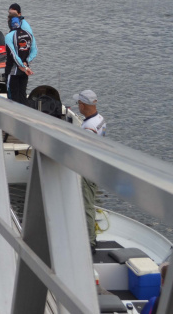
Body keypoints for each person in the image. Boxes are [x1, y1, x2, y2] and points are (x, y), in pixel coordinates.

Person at [73, 90, 107, 249]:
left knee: (86, 205)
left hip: (88, 170)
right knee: (89, 202)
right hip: (97, 166)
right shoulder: (100, 119)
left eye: (78, 103)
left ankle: (89, 243)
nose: (77, 106)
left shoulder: (88, 127)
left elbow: (84, 151)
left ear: (83, 105)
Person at [5, 16, 36, 106]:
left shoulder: (9, 36)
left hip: (13, 72)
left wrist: (22, 66)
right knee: (23, 96)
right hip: (24, 72)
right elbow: (34, 51)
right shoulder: (29, 34)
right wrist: (26, 62)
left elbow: (13, 55)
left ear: (10, 24)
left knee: (12, 98)